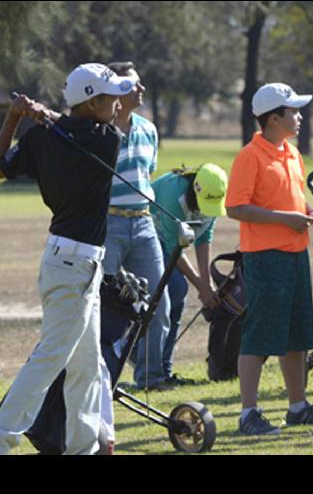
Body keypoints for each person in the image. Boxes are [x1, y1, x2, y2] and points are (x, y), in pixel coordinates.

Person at [0, 63, 136, 454]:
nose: (117, 103)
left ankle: (85, 446)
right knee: (49, 360)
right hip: (74, 266)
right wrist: (46, 114)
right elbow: (76, 129)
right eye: (110, 97)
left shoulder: (42, 137)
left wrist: (15, 117)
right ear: (92, 103)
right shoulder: (108, 139)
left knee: (87, 365)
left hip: (70, 262)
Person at [225, 82, 313, 436]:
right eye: (293, 111)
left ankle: (298, 407)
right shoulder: (250, 156)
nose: (300, 116)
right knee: (260, 336)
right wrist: (284, 218)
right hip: (264, 258)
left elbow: (295, 198)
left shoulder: (291, 153)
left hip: (294, 255)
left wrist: (310, 213)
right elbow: (235, 208)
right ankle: (249, 414)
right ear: (274, 117)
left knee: (297, 336)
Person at [101, 61, 176, 391]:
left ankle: (150, 377)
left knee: (158, 303)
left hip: (144, 224)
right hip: (108, 225)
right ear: (116, 91)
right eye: (134, 85)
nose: (141, 89)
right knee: (103, 306)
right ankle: (104, 379)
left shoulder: (149, 129)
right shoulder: (99, 131)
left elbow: (148, 175)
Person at [150, 163, 228, 373]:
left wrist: (207, 282)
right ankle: (143, 355)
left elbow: (204, 237)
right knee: (176, 289)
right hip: (150, 238)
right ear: (196, 189)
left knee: (177, 295)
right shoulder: (174, 197)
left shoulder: (214, 196)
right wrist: (201, 287)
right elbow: (172, 247)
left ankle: (164, 368)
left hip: (171, 244)